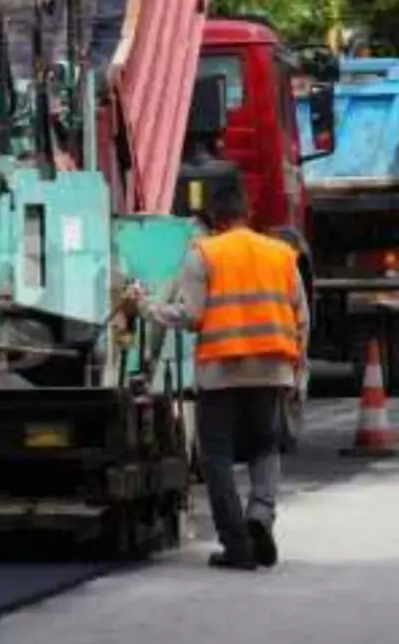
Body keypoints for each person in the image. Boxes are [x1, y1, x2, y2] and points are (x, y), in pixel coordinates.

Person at [126, 175, 309, 572]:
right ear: (249, 214)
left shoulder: (204, 254)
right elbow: (301, 318)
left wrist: (145, 307)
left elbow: (191, 315)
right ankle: (260, 513)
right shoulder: (281, 254)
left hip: (221, 371)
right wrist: (297, 369)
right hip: (272, 368)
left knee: (217, 457)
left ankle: (237, 546)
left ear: (215, 219)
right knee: (265, 447)